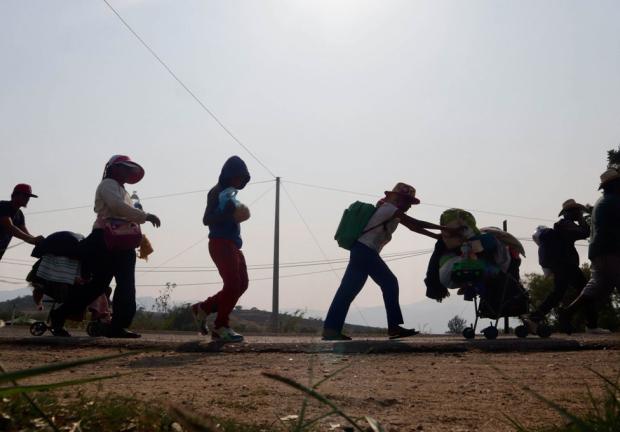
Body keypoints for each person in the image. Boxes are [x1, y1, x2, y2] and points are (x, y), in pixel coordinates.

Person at [323, 183, 453, 341]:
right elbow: (417, 223)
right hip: (365, 250)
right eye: (408, 202)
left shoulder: (390, 211)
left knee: (348, 290)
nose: (409, 206)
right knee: (390, 283)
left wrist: (439, 236)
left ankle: (331, 329)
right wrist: (446, 229)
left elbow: (414, 228)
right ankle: (393, 327)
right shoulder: (388, 209)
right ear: (397, 199)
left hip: (361, 250)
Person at [50, 155, 161, 337]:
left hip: (121, 240)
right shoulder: (107, 185)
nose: (127, 172)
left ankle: (118, 325)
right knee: (99, 286)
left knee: (124, 284)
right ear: (113, 169)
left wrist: (139, 218)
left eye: (129, 169)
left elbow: (124, 211)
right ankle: (60, 314)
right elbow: (117, 207)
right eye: (124, 168)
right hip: (104, 239)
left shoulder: (123, 191)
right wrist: (145, 216)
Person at [191, 156, 251, 343]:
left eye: (242, 179)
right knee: (233, 284)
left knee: (242, 284)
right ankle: (220, 326)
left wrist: (239, 212)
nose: (239, 181)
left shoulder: (231, 194)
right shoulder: (216, 192)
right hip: (220, 242)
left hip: (233, 243)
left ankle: (204, 308)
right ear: (228, 175)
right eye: (237, 177)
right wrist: (224, 214)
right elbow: (206, 219)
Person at [560, 169, 620, 334]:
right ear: (614, 185)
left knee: (596, 286)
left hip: (600, 250)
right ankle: (573, 315)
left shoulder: (604, 201)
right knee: (598, 286)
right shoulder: (613, 201)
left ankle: (568, 313)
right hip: (611, 250)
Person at [529, 199, 590, 323]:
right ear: (570, 212)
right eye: (577, 211)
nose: (579, 213)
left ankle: (535, 317)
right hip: (567, 265)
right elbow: (585, 233)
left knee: (559, 294)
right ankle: (591, 324)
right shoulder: (566, 225)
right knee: (586, 291)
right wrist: (581, 220)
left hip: (562, 265)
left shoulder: (563, 225)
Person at [0, 184, 44, 260]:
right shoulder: (3, 206)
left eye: (28, 197)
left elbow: (26, 235)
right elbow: (9, 227)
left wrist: (40, 241)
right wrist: (32, 239)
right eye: (25, 196)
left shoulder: (19, 215)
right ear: (15, 195)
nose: (27, 199)